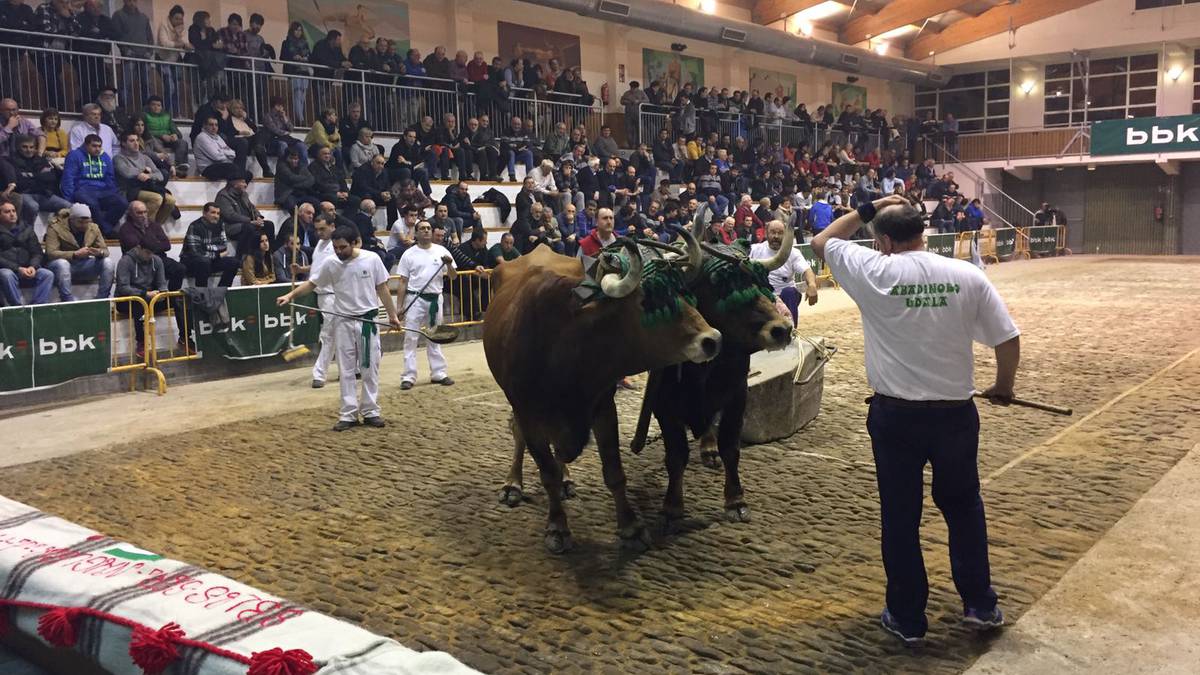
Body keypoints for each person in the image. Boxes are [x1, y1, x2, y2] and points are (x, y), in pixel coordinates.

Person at [812, 194, 1020, 647]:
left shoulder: (872, 270)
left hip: (896, 417)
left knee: (900, 518)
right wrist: (1003, 387)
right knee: (964, 510)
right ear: (922, 232)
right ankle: (980, 606)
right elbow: (1007, 339)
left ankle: (907, 617)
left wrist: (869, 206)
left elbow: (823, 239)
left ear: (884, 241)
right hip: (955, 416)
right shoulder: (967, 274)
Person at [276, 225, 401, 430]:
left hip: (368, 321)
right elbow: (312, 283)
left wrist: (393, 315)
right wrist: (290, 295)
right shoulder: (331, 262)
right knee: (346, 369)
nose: (338, 251)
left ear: (355, 243)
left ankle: (371, 410)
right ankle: (348, 413)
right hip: (343, 321)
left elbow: (382, 288)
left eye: (343, 247)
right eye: (335, 247)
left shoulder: (371, 259)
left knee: (370, 368)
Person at [395, 220, 457, 390]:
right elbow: (402, 281)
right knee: (410, 338)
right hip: (415, 298)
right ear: (416, 233)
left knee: (435, 336)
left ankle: (438, 372)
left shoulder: (441, 251)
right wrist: (399, 307)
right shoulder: (409, 254)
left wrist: (449, 264)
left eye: (429, 228)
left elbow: (453, 276)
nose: (426, 231)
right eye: (422, 228)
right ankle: (408, 376)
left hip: (435, 299)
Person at [749, 220, 817, 328]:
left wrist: (812, 285)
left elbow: (806, 270)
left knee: (789, 292)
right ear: (766, 233)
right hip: (762, 296)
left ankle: (791, 330)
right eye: (772, 232)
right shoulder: (754, 250)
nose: (776, 236)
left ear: (785, 235)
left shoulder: (793, 253)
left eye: (780, 233)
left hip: (785, 296)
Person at [43, 203, 113, 301]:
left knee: (108, 262)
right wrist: (74, 254)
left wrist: (99, 252)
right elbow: (50, 253)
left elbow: (105, 251)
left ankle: (102, 299)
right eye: (80, 222)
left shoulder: (93, 227)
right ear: (71, 219)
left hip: (84, 265)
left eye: (87, 222)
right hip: (60, 267)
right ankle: (67, 300)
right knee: (63, 264)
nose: (84, 225)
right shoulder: (55, 227)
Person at [61, 134, 128, 237]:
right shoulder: (75, 155)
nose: (97, 149)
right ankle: (106, 231)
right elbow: (68, 178)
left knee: (122, 202)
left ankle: (102, 227)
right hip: (83, 189)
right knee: (92, 204)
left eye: (99, 146)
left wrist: (113, 192)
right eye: (94, 146)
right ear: (86, 145)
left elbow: (110, 178)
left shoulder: (105, 157)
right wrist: (68, 199)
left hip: (103, 190)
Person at [115, 242, 167, 357]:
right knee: (139, 304)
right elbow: (123, 288)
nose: (150, 256)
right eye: (147, 253)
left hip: (150, 298)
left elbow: (162, 283)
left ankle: (185, 337)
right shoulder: (125, 261)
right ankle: (141, 342)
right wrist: (145, 294)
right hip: (126, 300)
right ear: (139, 248)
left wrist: (162, 294)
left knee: (178, 300)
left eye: (152, 253)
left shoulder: (156, 260)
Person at [113, 132, 175, 226]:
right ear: (123, 143)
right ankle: (144, 227)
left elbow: (160, 175)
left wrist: (148, 176)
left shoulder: (145, 157)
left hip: (147, 187)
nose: (136, 143)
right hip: (128, 190)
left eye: (137, 140)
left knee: (171, 201)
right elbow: (127, 173)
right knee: (156, 198)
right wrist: (144, 170)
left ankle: (155, 227)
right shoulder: (118, 158)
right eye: (132, 141)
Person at [0, 197, 54, 304]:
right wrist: (17, 268)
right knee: (6, 274)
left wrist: (32, 266)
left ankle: (37, 307)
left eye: (13, 211)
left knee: (47, 274)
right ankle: (16, 308)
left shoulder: (27, 229)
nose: (12, 214)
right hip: (9, 270)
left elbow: (37, 253)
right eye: (7, 212)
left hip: (27, 269)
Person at [6, 135, 69, 225]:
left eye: (32, 147)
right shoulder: (11, 161)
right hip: (24, 194)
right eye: (25, 147)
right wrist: (39, 176)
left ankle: (56, 233)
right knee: (33, 207)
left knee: (68, 206)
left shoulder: (41, 160)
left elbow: (51, 178)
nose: (29, 150)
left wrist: (31, 176)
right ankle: (28, 234)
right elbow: (19, 182)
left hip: (44, 194)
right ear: (18, 148)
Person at [304, 214, 337, 388]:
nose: (319, 233)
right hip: (321, 295)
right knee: (337, 334)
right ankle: (353, 367)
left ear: (332, 226)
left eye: (322, 229)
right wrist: (303, 268)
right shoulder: (320, 244)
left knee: (328, 335)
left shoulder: (336, 245)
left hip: (333, 295)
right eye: (317, 229)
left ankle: (319, 373)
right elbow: (319, 266)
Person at [180, 202, 239, 287]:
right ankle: (202, 295)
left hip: (211, 260)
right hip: (191, 261)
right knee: (204, 262)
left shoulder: (220, 224)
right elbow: (196, 252)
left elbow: (223, 246)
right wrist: (217, 254)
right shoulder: (195, 226)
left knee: (234, 262)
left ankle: (220, 292)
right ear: (204, 213)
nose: (216, 216)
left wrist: (205, 247)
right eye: (213, 212)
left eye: (218, 213)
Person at [216, 173, 274, 256]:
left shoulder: (244, 194)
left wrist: (258, 217)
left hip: (249, 224)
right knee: (249, 227)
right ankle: (241, 258)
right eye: (243, 182)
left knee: (269, 225)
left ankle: (268, 256)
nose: (246, 185)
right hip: (232, 227)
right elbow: (230, 215)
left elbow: (252, 207)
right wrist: (250, 221)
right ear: (235, 184)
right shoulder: (223, 196)